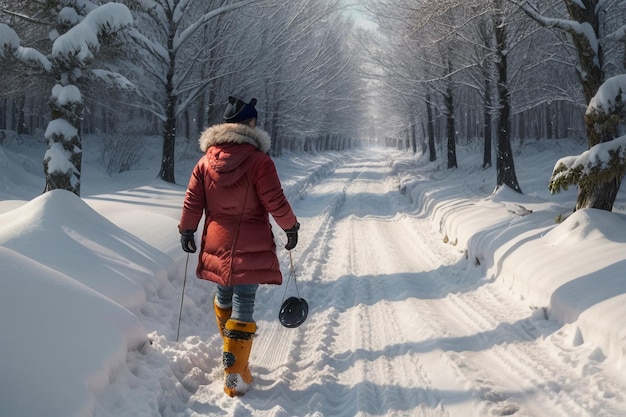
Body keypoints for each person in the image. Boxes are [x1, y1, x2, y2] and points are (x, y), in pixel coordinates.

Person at [178, 95, 300, 397]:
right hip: (251, 240)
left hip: (217, 238)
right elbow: (275, 201)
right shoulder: (260, 161)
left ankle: (233, 356)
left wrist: (187, 230)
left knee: (224, 294)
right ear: (250, 124)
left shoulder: (205, 162)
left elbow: (193, 201)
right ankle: (234, 372)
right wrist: (290, 227)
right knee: (245, 300)